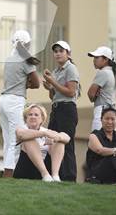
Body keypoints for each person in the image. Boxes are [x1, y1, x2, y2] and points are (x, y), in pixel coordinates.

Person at [0, 30, 40, 177]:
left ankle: (6, 171)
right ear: (27, 44)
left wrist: (23, 83)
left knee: (7, 140)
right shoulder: (26, 60)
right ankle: (9, 175)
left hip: (3, 101)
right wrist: (26, 84)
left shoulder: (9, 58)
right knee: (16, 140)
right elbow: (36, 83)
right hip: (15, 101)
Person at [43, 40, 80, 181]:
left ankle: (69, 176)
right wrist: (49, 86)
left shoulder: (71, 69)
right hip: (57, 108)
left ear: (68, 54)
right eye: (56, 51)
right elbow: (53, 95)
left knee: (66, 142)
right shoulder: (56, 71)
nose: (58, 53)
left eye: (61, 51)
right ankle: (52, 174)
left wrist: (52, 82)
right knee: (51, 141)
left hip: (67, 109)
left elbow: (71, 92)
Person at [14, 104, 70, 182]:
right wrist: (44, 134)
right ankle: (45, 175)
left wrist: (56, 138)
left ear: (42, 119)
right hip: (26, 168)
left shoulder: (46, 131)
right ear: (26, 118)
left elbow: (67, 138)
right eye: (30, 115)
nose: (33, 117)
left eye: (36, 115)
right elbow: (21, 135)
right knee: (29, 140)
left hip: (45, 166)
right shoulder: (21, 129)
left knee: (59, 142)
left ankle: (55, 176)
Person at [86, 106, 116, 186]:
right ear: (101, 119)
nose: (109, 122)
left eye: (112, 119)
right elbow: (99, 150)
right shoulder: (94, 136)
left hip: (115, 172)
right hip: (98, 173)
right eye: (107, 119)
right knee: (114, 153)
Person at [87, 46, 116, 131]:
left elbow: (90, 94)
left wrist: (94, 96)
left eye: (97, 57)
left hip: (102, 112)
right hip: (112, 113)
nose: (94, 60)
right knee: (109, 143)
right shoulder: (111, 72)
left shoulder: (103, 72)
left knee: (96, 142)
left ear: (105, 60)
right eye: (94, 57)